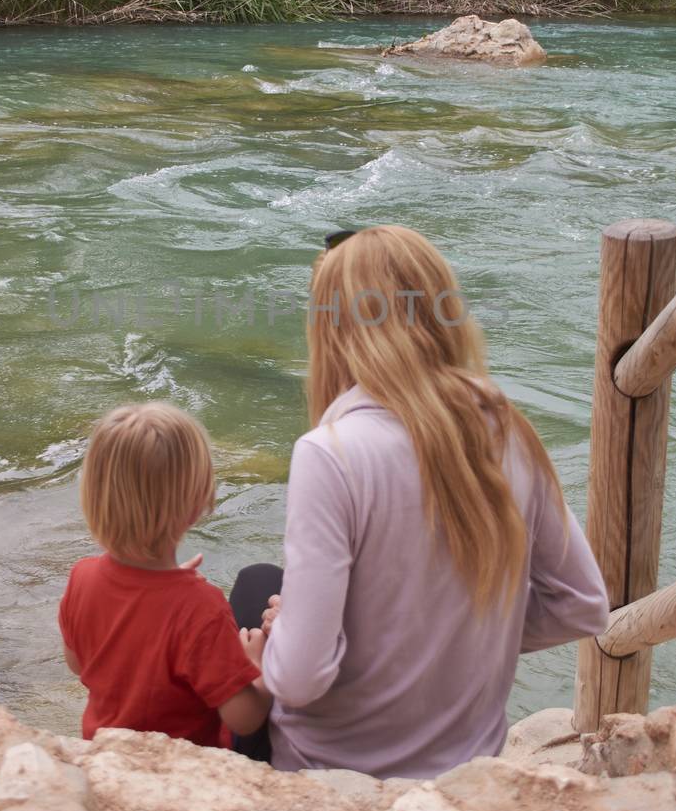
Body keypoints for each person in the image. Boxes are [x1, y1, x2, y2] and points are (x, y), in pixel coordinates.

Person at [241, 225, 610, 779]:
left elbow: (299, 678)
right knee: (261, 581)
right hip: (464, 768)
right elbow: (582, 604)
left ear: (334, 329)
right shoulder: (507, 432)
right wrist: (459, 640)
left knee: (249, 594)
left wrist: (275, 646)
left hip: (332, 773)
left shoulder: (330, 452)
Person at [59, 401, 271, 750]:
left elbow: (78, 664)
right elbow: (244, 718)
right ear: (197, 501)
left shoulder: (82, 577)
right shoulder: (201, 607)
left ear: (94, 495)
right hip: (181, 767)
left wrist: (153, 604)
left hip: (106, 751)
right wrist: (259, 667)